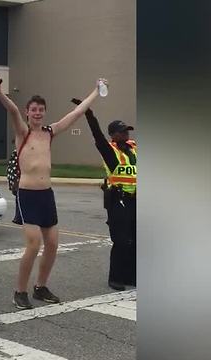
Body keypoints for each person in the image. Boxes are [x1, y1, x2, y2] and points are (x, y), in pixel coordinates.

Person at [0, 70, 107, 309]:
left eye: (41, 110)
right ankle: (19, 291)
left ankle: (40, 286)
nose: (37, 113)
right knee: (33, 245)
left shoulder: (50, 133)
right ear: (27, 112)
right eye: (33, 110)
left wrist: (96, 91)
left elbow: (76, 113)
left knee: (52, 244)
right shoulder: (23, 133)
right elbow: (11, 109)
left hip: (46, 194)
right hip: (27, 194)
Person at [72, 98, 136, 291]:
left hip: (136, 201)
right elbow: (98, 136)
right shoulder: (110, 152)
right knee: (121, 241)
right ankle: (115, 277)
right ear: (113, 135)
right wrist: (89, 114)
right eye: (122, 131)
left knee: (135, 240)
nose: (126, 133)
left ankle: (131, 276)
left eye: (127, 131)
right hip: (119, 200)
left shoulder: (134, 149)